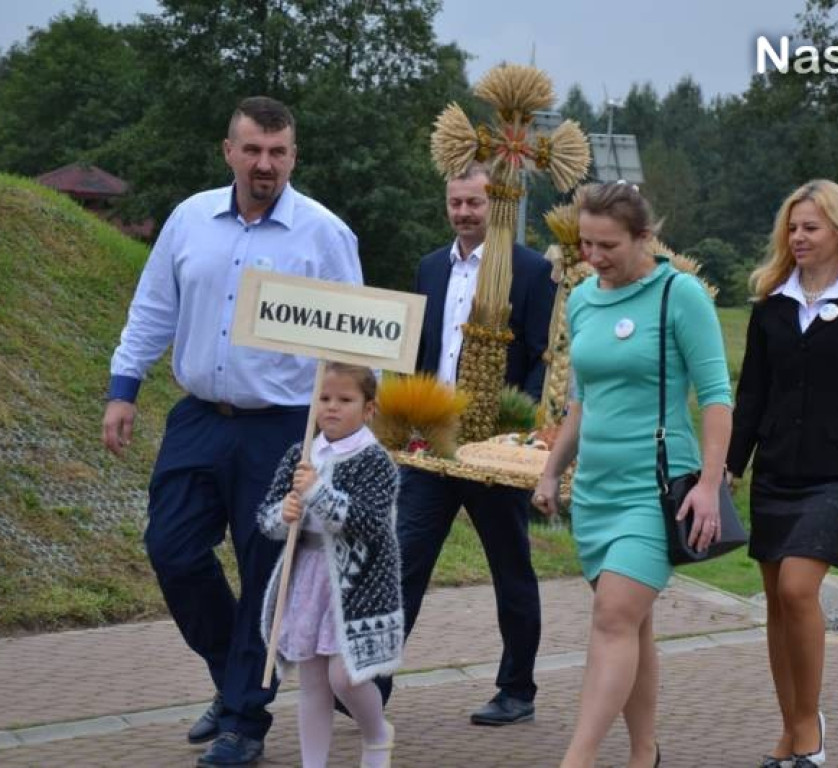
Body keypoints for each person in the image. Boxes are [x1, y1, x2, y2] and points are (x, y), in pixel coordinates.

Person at [101, 96, 362, 767]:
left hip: (281, 430)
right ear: (229, 151)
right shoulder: (191, 220)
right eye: (252, 150)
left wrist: (335, 441)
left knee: (265, 573)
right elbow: (154, 306)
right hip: (198, 418)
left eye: (277, 152)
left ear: (294, 156)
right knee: (173, 549)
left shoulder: (324, 235)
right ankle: (233, 675)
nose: (265, 163)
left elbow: (352, 350)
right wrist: (123, 388)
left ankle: (245, 720)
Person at [534, 181, 733, 768]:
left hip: (655, 489)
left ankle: (579, 758)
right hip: (595, 490)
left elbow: (718, 398)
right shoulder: (581, 299)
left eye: (608, 245)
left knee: (613, 618)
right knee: (632, 627)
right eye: (585, 244)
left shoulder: (681, 294)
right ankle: (644, 753)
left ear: (645, 237)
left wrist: (709, 486)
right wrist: (551, 473)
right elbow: (581, 402)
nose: (594, 257)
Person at [725, 179, 838, 768]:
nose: (798, 237)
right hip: (776, 469)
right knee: (777, 602)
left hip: (836, 472)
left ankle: (809, 731)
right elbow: (752, 392)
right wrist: (730, 464)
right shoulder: (771, 301)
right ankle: (792, 728)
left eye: (811, 228)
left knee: (800, 590)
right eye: (792, 228)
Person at [378, 162, 555, 725]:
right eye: (455, 203)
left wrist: (520, 433)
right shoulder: (431, 267)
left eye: (474, 203)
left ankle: (516, 690)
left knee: (511, 569)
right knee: (402, 562)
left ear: (495, 205)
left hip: (495, 452)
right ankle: (370, 681)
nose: (463, 213)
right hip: (433, 447)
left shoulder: (530, 271)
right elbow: (419, 351)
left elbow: (540, 361)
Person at [257, 362, 401, 768]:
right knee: (313, 680)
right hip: (309, 574)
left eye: (344, 400)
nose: (332, 408)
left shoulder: (375, 461)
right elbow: (266, 519)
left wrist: (318, 492)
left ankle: (376, 733)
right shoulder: (301, 453)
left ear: (369, 409)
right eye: (324, 398)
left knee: (345, 675)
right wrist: (282, 516)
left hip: (358, 583)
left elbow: (370, 522)